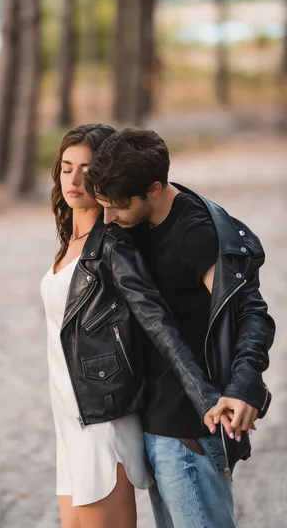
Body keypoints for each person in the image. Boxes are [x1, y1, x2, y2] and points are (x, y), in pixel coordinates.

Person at [40, 124, 249, 528]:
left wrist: (212, 397)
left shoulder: (114, 244)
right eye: (66, 167)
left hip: (103, 419)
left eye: (86, 168)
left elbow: (160, 324)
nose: (75, 179)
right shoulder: (69, 242)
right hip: (67, 419)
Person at [85, 127, 275, 528]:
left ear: (153, 189)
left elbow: (251, 312)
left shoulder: (196, 236)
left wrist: (244, 385)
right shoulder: (137, 222)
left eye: (117, 207)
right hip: (157, 425)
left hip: (190, 431)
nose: (108, 218)